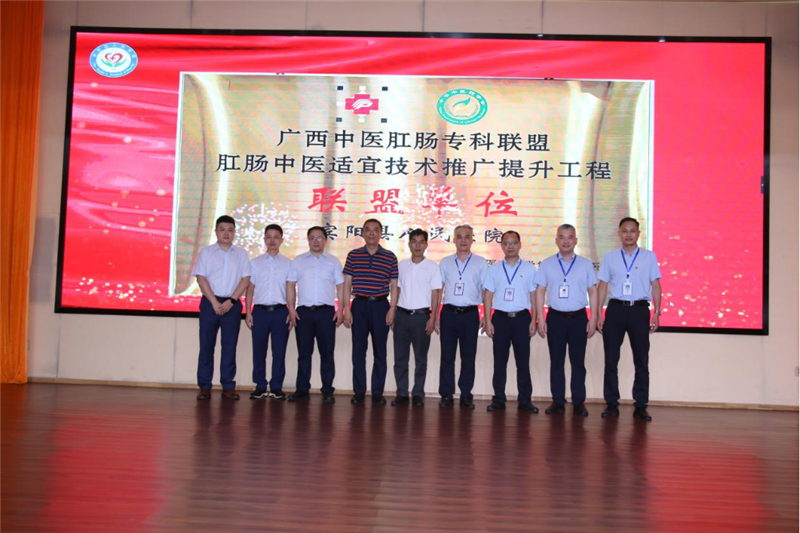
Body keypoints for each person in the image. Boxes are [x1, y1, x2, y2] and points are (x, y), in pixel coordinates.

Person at [597, 217, 662, 422]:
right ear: (619, 233)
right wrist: (598, 313)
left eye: (632, 231)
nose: (628, 235)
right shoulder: (610, 257)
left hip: (639, 311)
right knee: (611, 360)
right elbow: (602, 286)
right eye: (624, 231)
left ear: (638, 234)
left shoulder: (649, 257)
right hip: (616, 310)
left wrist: (657, 312)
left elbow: (656, 285)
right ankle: (611, 403)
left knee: (641, 360)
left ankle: (640, 405)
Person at [534, 224, 598, 417]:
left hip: (578, 318)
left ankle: (579, 402)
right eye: (562, 237)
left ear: (576, 240)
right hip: (555, 318)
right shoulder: (547, 264)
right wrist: (540, 318)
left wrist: (593, 317)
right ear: (556, 240)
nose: (566, 241)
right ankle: (558, 401)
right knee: (556, 362)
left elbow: (592, 291)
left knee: (578, 362)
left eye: (570, 237)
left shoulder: (585, 264)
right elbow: (540, 291)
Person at [192, 215, 251, 401]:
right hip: (210, 303)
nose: (226, 233)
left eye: (230, 230)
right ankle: (204, 386)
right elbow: (201, 278)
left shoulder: (241, 254)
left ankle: (228, 385)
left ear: (234, 232)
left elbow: (246, 279)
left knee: (229, 346)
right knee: (206, 346)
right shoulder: (206, 252)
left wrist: (231, 301)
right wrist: (214, 302)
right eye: (222, 229)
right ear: (216, 231)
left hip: (232, 304)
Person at [342, 219, 399, 405]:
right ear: (363, 233)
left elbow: (394, 286)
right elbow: (347, 284)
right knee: (358, 351)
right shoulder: (353, 255)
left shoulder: (390, 257)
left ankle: (377, 393)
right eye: (368, 230)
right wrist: (347, 308)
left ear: (381, 233)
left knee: (380, 352)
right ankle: (359, 392)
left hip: (381, 306)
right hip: (359, 305)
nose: (371, 233)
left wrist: (392, 308)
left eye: (375, 230)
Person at [286, 226, 344, 404]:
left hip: (326, 313)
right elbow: (290, 285)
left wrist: (340, 309)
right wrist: (291, 309)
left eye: (319, 238)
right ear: (308, 240)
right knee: (304, 353)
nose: (316, 241)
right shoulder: (298, 261)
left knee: (327, 353)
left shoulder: (333, 261)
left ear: (325, 241)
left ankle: (327, 390)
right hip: (303, 313)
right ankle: (302, 389)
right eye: (312, 238)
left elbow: (340, 286)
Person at [482, 230, 539, 413]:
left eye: (514, 243)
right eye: (506, 243)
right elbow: (488, 295)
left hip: (522, 319)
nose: (510, 246)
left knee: (523, 363)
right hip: (500, 319)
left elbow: (534, 295)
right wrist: (488, 320)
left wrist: (534, 319)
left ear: (520, 245)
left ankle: (525, 400)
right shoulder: (494, 269)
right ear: (502, 246)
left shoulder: (529, 268)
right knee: (500, 362)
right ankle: (499, 399)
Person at [436, 224, 487, 409]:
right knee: (447, 356)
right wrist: (435, 315)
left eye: (467, 236)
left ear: (472, 239)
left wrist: (485, 314)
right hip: (449, 313)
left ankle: (466, 394)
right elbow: (439, 289)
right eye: (459, 236)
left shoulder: (481, 262)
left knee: (468, 356)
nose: (463, 240)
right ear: (454, 240)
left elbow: (485, 290)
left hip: (470, 314)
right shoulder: (445, 262)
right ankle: (446, 394)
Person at [390, 229, 442, 408]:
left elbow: (436, 293)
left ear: (426, 245)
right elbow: (396, 290)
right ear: (409, 244)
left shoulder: (433, 267)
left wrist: (433, 317)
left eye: (421, 242)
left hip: (421, 317)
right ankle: (401, 393)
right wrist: (393, 311)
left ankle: (418, 393)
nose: (417, 245)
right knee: (400, 358)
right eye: (414, 241)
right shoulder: (401, 265)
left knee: (420, 359)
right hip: (401, 316)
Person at [245, 224, 292, 401]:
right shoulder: (255, 263)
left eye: (276, 237)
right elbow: (250, 289)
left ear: (282, 240)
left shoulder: (289, 263)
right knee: (259, 350)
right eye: (269, 237)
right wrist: (248, 312)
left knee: (279, 351)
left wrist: (291, 310)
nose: (272, 240)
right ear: (264, 239)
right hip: (260, 312)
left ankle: (277, 387)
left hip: (281, 312)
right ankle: (260, 386)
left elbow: (291, 289)